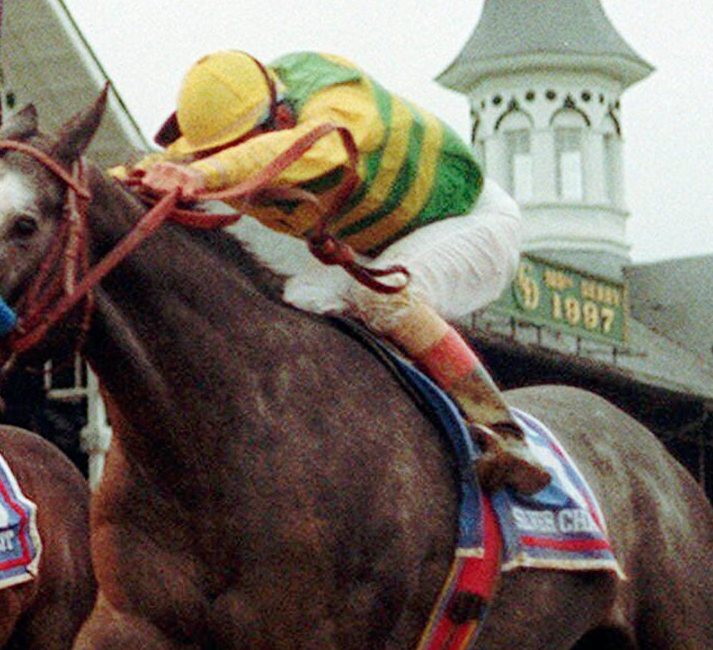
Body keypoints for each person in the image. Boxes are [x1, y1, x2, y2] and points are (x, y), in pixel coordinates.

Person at [127, 50, 549, 493]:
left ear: (281, 115)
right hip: (375, 248)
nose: (230, 160)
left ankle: (505, 434)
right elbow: (150, 169)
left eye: (239, 148)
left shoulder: (337, 99)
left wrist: (206, 172)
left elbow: (310, 147)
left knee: (384, 297)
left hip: (471, 221)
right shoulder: (226, 137)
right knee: (295, 309)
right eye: (214, 153)